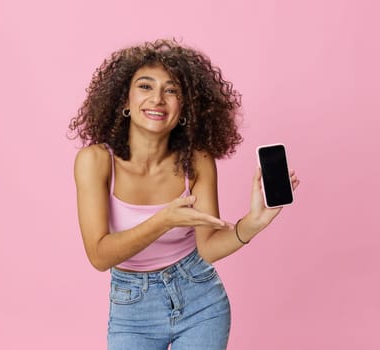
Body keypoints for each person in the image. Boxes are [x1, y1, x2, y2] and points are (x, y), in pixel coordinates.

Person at [69, 39, 300, 350]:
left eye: (172, 90)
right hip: (133, 310)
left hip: (201, 301)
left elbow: (207, 248)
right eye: (145, 86)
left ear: (185, 106)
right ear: (124, 99)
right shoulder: (95, 161)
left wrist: (253, 222)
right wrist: (164, 220)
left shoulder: (198, 160)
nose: (158, 99)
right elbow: (99, 255)